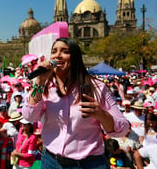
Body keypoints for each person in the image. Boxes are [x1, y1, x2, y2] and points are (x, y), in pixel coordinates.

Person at [22, 37, 129, 168]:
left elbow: (123, 128)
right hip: (51, 162)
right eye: (54, 51)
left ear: (75, 57)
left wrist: (100, 114)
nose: (57, 56)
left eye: (64, 51)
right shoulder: (45, 87)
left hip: (88, 164)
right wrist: (39, 82)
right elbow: (29, 116)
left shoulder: (96, 87)